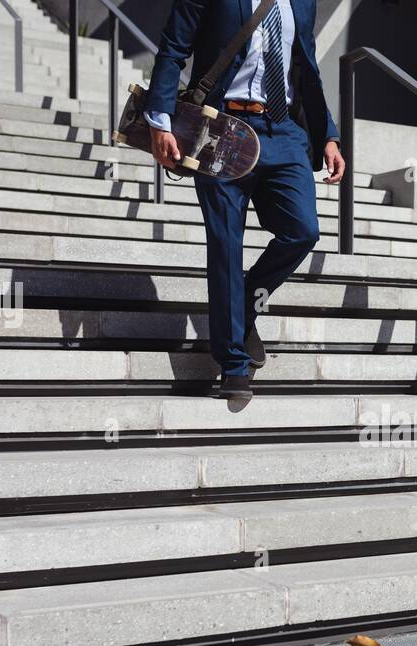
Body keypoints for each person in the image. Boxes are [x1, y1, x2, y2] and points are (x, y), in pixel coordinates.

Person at [145, 0, 346, 400]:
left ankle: (242, 306)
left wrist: (328, 135)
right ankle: (233, 364)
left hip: (283, 130)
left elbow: (307, 66)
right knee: (225, 245)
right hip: (221, 125)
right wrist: (159, 119)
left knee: (302, 231)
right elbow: (173, 48)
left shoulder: (302, 3)